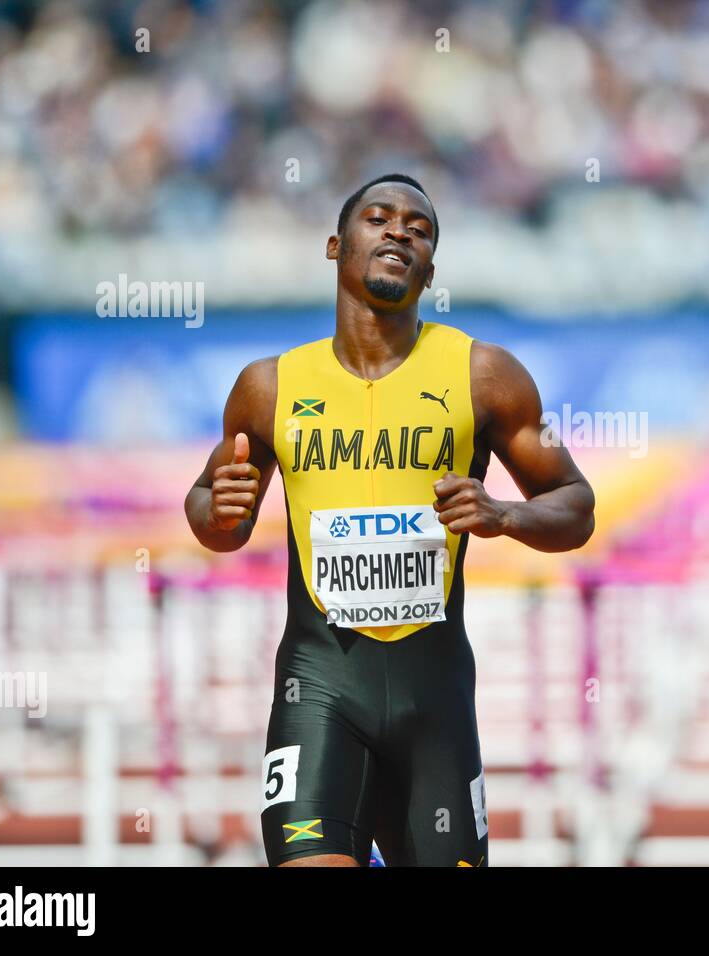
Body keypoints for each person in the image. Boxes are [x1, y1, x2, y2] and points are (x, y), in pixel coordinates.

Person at [185, 174, 595, 866]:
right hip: (317, 689)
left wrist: (507, 514)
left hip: (433, 704)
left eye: (420, 228)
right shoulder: (270, 386)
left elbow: (576, 503)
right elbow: (213, 514)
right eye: (378, 218)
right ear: (335, 246)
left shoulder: (485, 375)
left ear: (430, 270)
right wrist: (216, 511)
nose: (400, 230)